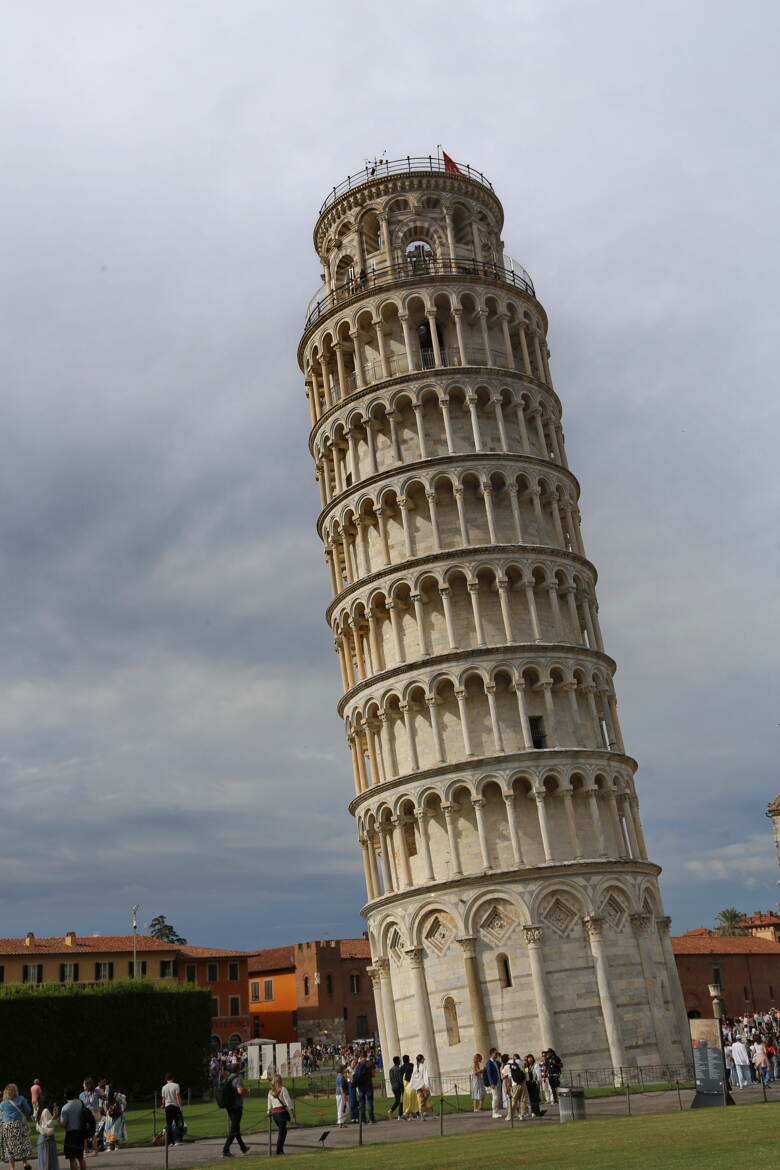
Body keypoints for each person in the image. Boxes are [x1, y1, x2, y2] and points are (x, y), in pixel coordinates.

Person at [0, 1086, 32, 1170]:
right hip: (19, 1125)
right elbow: (28, 1110)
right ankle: (25, 1163)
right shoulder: (21, 1099)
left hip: (7, 1126)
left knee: (9, 1147)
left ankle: (12, 1167)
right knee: (22, 1143)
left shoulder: (3, 1103)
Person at [221, 1065, 248, 1158]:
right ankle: (225, 1149)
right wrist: (246, 1089)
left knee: (235, 1128)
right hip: (236, 1106)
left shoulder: (227, 1079)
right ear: (237, 1070)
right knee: (234, 1129)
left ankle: (243, 1147)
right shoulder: (237, 1079)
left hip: (229, 1106)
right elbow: (240, 1091)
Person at [266, 1077, 294, 1157]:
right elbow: (287, 1100)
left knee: (283, 1131)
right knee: (282, 1132)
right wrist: (291, 1109)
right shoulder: (283, 1089)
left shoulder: (270, 1092)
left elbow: (269, 1104)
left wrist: (268, 1112)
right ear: (280, 1081)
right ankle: (279, 1150)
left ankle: (280, 1149)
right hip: (281, 1112)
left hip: (275, 1114)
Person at [35, 1094, 58, 1170]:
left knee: (44, 1161)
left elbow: (42, 1124)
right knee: (48, 1161)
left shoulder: (39, 1110)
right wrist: (54, 1116)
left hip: (42, 1138)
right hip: (47, 1139)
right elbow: (47, 1124)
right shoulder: (46, 1111)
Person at [78, 1082, 100, 1159]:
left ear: (88, 1085)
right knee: (84, 1133)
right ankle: (85, 1151)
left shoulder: (95, 1092)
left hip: (95, 1115)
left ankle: (95, 1150)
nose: (83, 1085)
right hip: (85, 1115)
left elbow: (104, 1097)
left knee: (93, 1133)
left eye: (84, 1084)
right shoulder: (81, 1095)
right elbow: (81, 1105)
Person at [161, 1074, 184, 1148]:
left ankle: (170, 1142)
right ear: (173, 1078)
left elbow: (163, 1099)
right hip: (175, 1106)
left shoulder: (164, 1087)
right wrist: (181, 1106)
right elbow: (178, 1097)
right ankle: (177, 1140)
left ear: (166, 1079)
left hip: (167, 1107)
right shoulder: (176, 1085)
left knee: (169, 1125)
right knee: (178, 1123)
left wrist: (163, 1105)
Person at [409, 1055, 432, 1120]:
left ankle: (422, 1114)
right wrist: (427, 1085)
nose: (424, 1059)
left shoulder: (415, 1067)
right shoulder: (423, 1066)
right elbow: (425, 1076)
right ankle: (427, 1113)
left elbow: (413, 1077)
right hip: (423, 1086)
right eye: (423, 1059)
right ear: (421, 1060)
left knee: (420, 1100)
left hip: (418, 1086)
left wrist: (412, 1085)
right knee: (427, 1100)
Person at [509, 1054, 531, 1119]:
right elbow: (526, 1072)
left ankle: (510, 1114)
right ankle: (522, 1114)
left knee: (514, 1100)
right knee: (523, 1099)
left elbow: (510, 1073)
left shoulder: (511, 1063)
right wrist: (527, 1079)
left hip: (515, 1083)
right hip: (523, 1082)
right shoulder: (523, 1062)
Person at [485, 1048, 503, 1118]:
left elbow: (502, 1064)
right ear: (491, 1054)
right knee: (495, 1097)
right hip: (494, 1083)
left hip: (498, 1081)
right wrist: (491, 1083)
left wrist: (501, 1057)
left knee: (498, 1097)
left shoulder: (496, 1062)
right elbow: (489, 1073)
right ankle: (494, 1112)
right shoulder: (489, 1063)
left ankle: (497, 1111)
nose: (496, 1055)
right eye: (495, 1053)